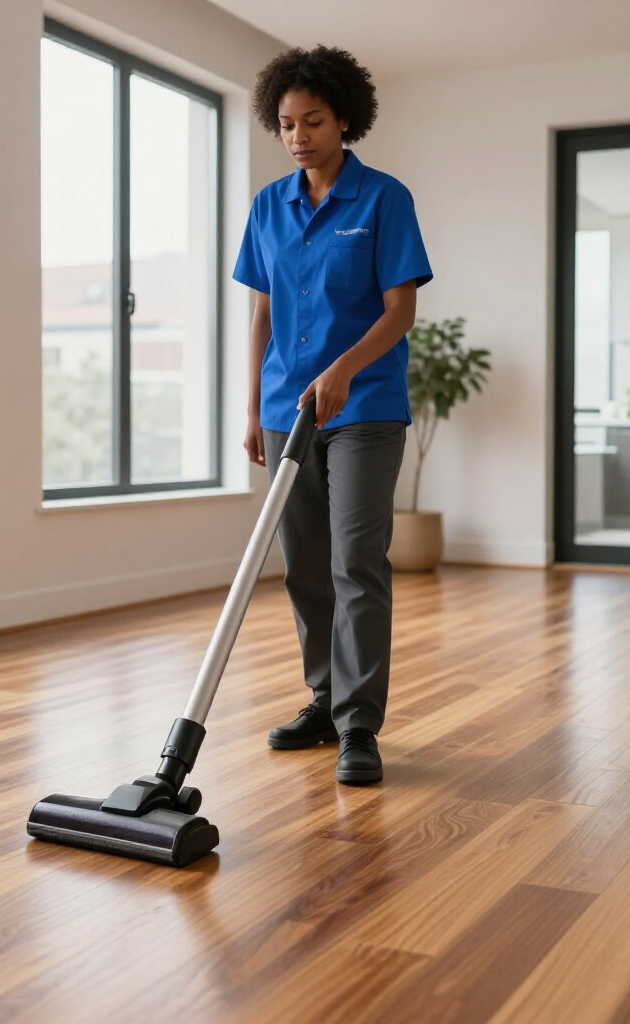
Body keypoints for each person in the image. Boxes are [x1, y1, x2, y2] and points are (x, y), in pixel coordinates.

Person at [233, 45, 433, 785]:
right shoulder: (267, 207)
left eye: (312, 120)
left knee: (355, 559)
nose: (297, 135)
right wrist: (254, 406)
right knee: (306, 564)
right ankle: (323, 697)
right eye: (285, 124)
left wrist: (345, 367)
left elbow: (401, 309)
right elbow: (261, 314)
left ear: (344, 117)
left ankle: (358, 725)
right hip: (289, 408)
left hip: (366, 405)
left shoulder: (384, 199)